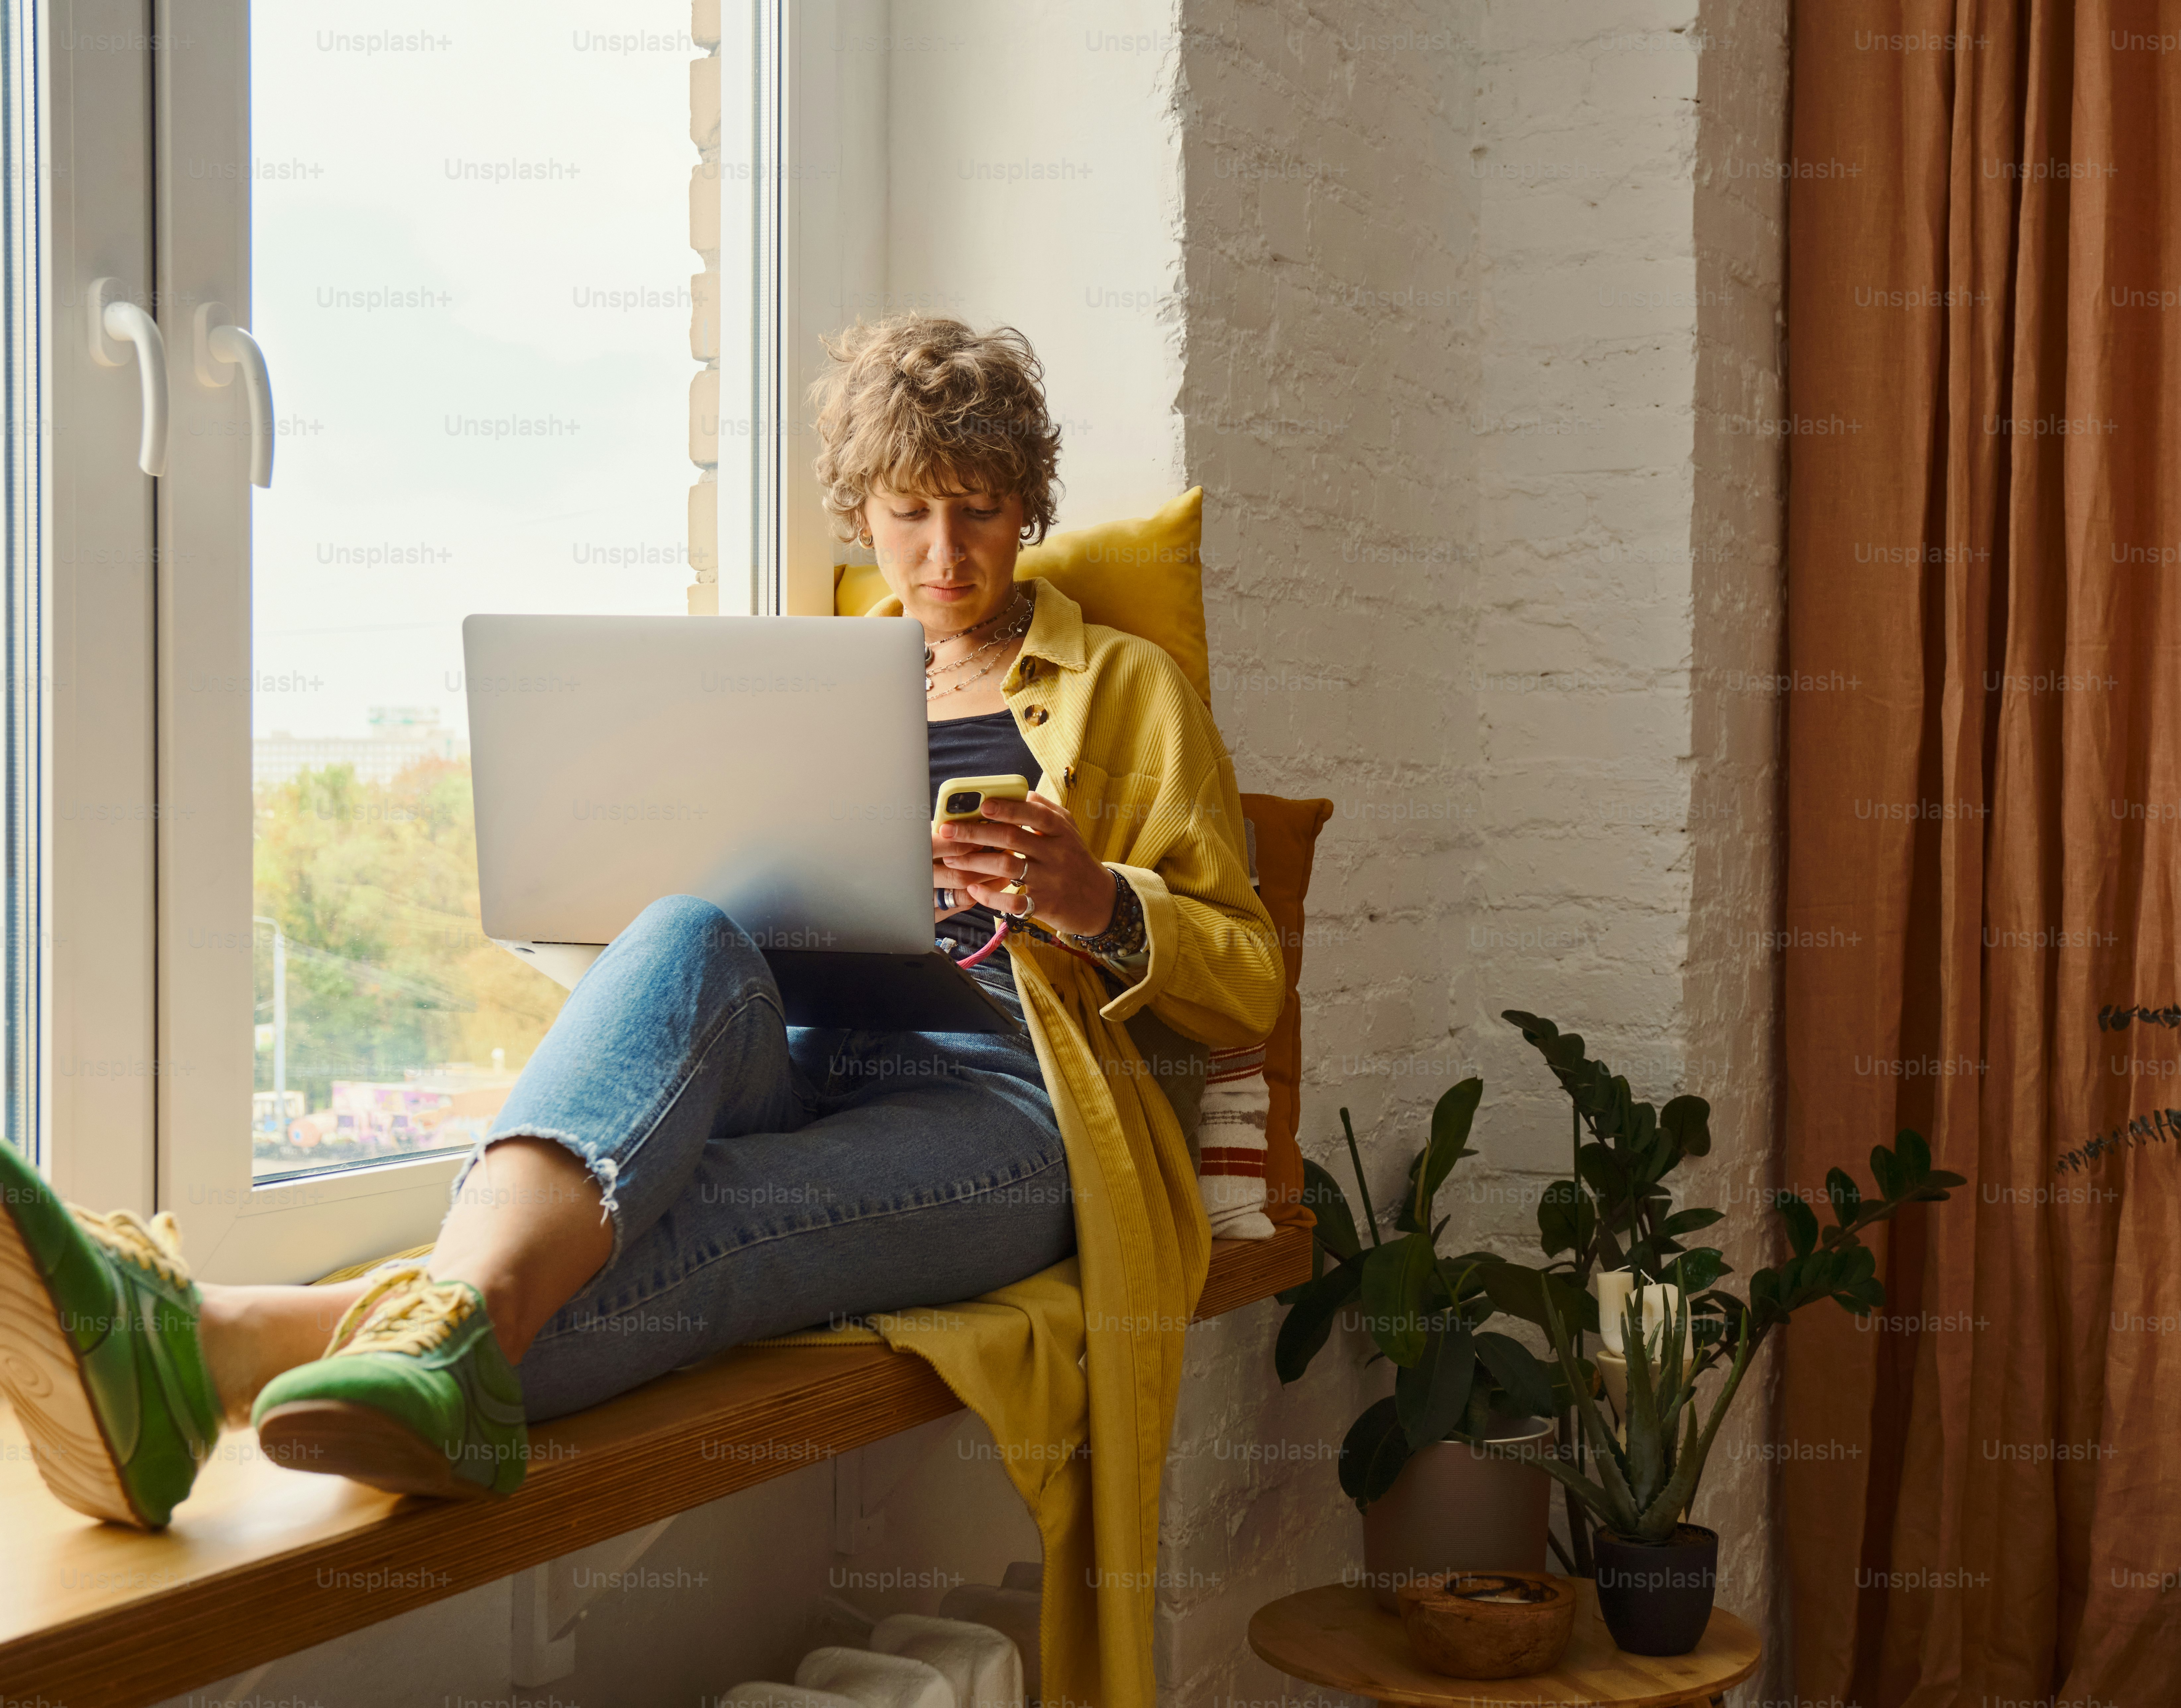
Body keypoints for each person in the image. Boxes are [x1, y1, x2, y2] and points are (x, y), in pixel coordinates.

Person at [0, 314, 1281, 1528]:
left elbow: (1247, 980)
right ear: (864, 516)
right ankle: (274, 1356)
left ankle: (213, 1344)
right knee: (681, 923)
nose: (945, 551)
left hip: (1008, 1106)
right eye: (910, 512)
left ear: (1027, 506)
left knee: (710, 1213)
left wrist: (1098, 899)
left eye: (980, 509)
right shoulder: (814, 676)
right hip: (806, 1050)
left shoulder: (1122, 683)